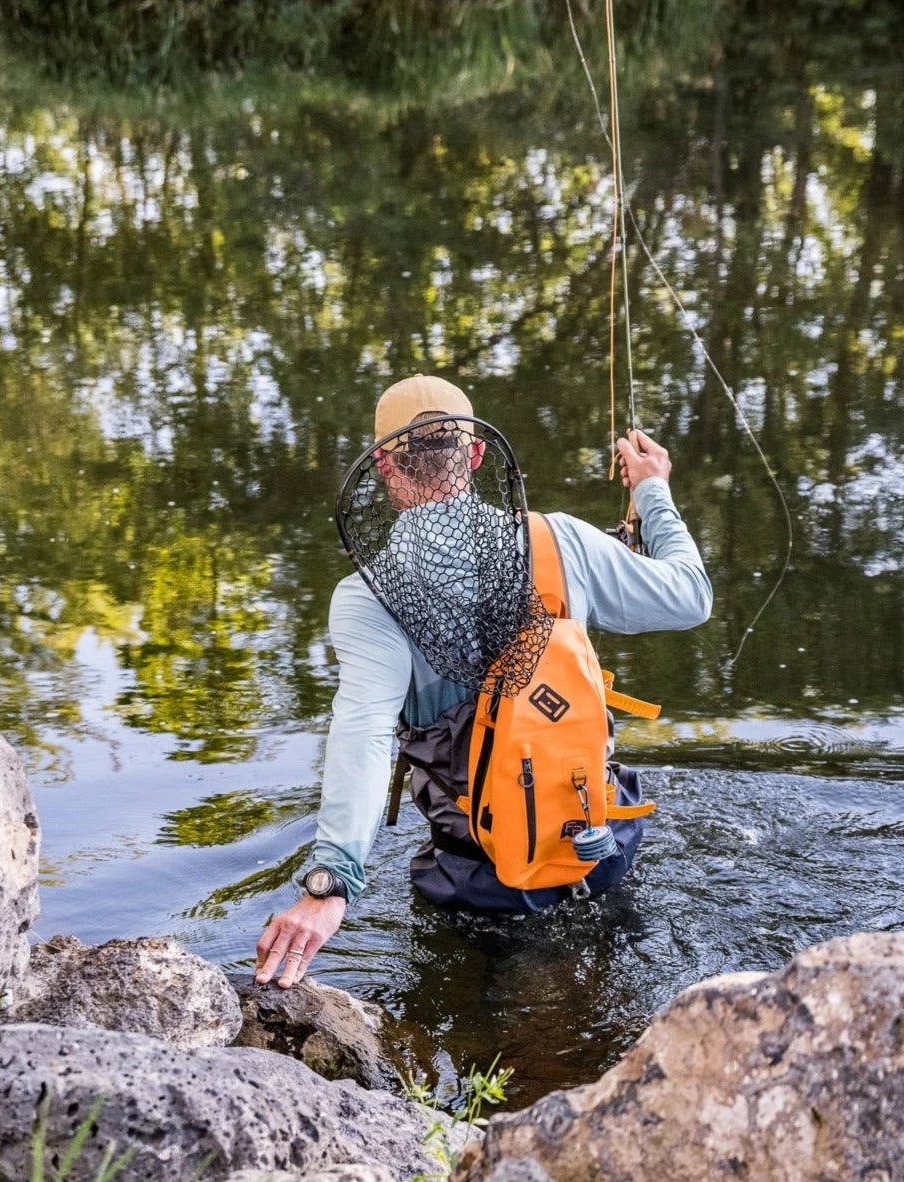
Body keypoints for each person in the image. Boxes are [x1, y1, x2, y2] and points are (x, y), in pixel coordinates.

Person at [256, 374, 712, 988]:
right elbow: (691, 596)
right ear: (475, 455)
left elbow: (363, 735)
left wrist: (330, 883)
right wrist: (653, 491)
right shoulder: (564, 540)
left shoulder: (368, 596)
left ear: (384, 466)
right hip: (599, 849)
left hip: (482, 885)